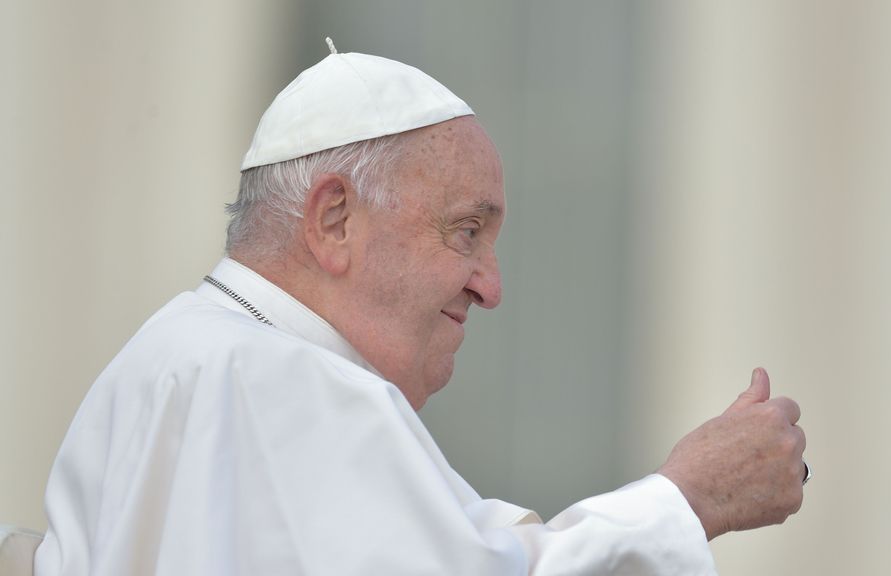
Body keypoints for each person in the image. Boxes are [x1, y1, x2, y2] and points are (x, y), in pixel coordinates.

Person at [33, 42, 807, 575]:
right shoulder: (272, 378)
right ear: (334, 220)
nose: (490, 285)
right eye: (465, 231)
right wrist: (687, 499)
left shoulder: (175, 355)